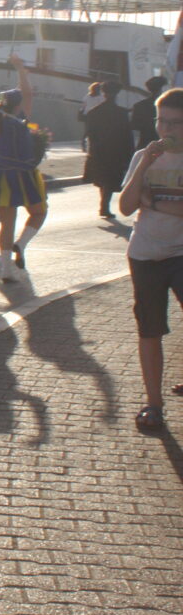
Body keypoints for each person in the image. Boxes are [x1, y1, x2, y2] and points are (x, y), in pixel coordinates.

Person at [118, 87, 183, 429]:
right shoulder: (143, 156)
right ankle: (153, 404)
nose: (166, 130)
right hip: (144, 254)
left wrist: (153, 201)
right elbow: (126, 206)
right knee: (150, 329)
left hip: (180, 252)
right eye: (161, 121)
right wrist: (145, 162)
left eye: (175, 123)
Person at [0, 54, 47, 280]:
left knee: (7, 223)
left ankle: (6, 270)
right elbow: (27, 93)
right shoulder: (19, 117)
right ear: (17, 104)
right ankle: (21, 244)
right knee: (39, 212)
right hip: (23, 174)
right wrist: (20, 68)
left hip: (1, 173)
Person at [82, 79, 134, 219]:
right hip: (116, 151)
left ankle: (104, 205)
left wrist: (91, 150)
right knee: (110, 179)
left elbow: (90, 133)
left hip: (98, 150)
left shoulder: (93, 112)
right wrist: (130, 153)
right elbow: (127, 135)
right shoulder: (121, 113)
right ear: (116, 94)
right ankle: (104, 206)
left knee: (102, 179)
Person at [132, 76, 168, 148]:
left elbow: (134, 125)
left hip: (145, 143)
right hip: (163, 143)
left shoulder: (139, 105)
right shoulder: (168, 106)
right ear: (161, 88)